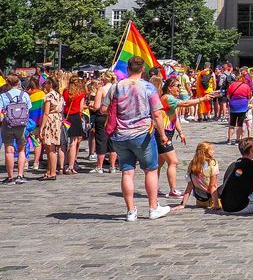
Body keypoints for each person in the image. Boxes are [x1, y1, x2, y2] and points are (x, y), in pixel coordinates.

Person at [102, 57, 172, 220]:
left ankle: (131, 211)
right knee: (150, 170)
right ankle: (153, 207)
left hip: (120, 135)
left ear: (128, 69)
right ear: (142, 70)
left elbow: (104, 109)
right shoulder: (148, 87)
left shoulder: (116, 87)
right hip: (142, 134)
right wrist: (162, 135)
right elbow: (156, 114)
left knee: (127, 172)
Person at [159, 76, 213, 197]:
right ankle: (173, 190)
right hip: (163, 134)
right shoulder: (168, 98)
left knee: (159, 163)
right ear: (169, 88)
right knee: (173, 162)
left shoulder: (170, 98)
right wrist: (202, 99)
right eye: (177, 86)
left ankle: (154, 187)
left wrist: (180, 132)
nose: (179, 88)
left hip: (166, 133)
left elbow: (174, 116)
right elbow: (186, 103)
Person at [0, 74, 31, 185]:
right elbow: (29, 109)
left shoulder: (3, 96)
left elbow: (0, 112)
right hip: (21, 125)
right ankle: (20, 175)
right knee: (21, 149)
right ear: (18, 83)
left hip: (8, 124)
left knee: (9, 150)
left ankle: (10, 177)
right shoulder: (25, 95)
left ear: (8, 83)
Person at [176, 142, 220, 210]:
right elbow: (212, 186)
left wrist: (183, 204)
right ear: (206, 152)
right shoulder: (212, 163)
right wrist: (216, 205)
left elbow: (190, 186)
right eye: (212, 149)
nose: (213, 151)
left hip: (200, 200)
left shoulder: (192, 164)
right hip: (212, 199)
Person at [39, 76, 64, 181]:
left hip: (50, 121)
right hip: (57, 120)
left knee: (50, 148)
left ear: (50, 84)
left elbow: (46, 112)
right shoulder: (59, 95)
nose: (44, 85)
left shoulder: (49, 96)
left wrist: (41, 127)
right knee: (51, 147)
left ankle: (52, 172)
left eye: (45, 83)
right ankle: (49, 171)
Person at [62, 75, 87, 175]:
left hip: (66, 117)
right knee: (73, 142)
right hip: (76, 117)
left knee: (64, 142)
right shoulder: (80, 94)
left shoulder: (66, 92)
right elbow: (81, 109)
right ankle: (71, 166)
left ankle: (63, 165)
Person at [225, 71, 253, 144]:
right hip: (243, 106)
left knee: (232, 124)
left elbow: (228, 96)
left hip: (233, 105)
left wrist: (232, 100)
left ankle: (229, 139)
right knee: (240, 124)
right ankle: (238, 139)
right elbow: (249, 97)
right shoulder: (246, 86)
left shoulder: (232, 85)